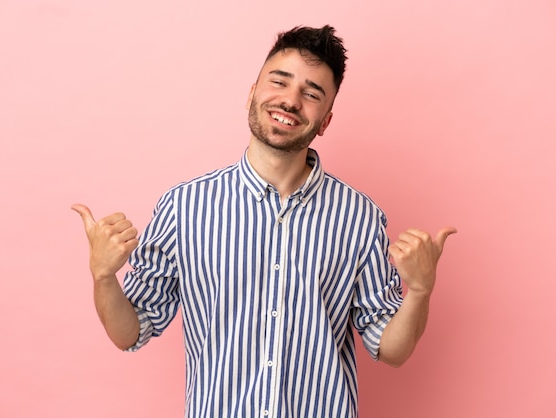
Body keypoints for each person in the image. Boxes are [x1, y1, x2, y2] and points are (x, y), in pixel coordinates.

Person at [72, 25, 456, 418]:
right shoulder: (184, 207)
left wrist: (420, 292)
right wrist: (104, 277)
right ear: (251, 94)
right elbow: (129, 332)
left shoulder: (360, 218)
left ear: (325, 121)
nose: (290, 101)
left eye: (311, 94)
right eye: (280, 81)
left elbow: (390, 349)